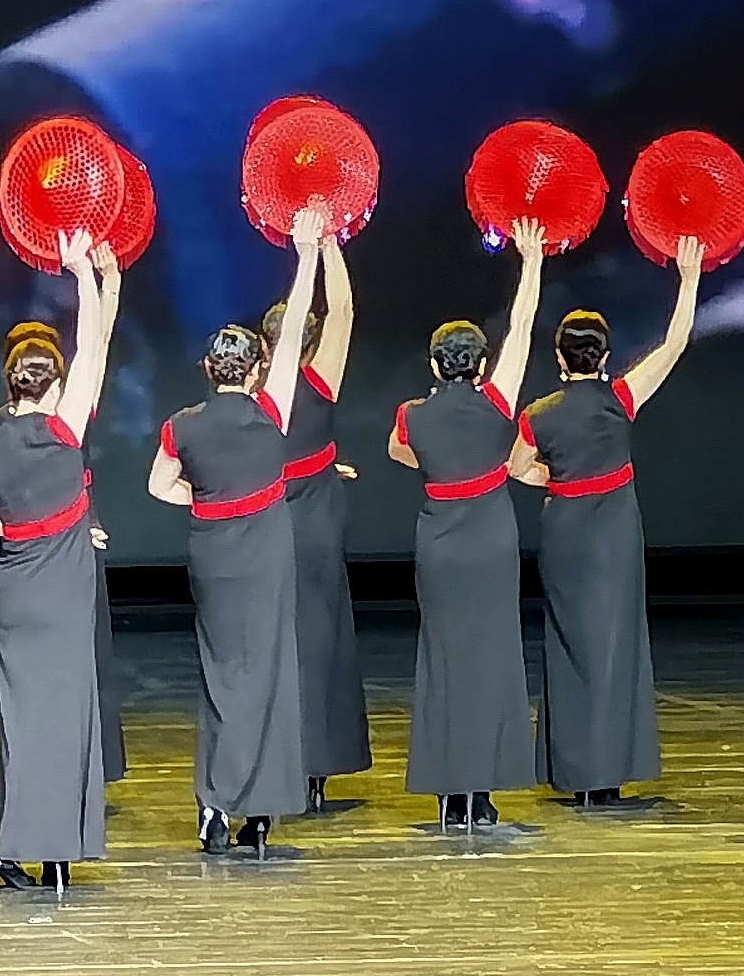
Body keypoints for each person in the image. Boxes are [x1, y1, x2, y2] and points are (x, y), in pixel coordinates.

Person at [148, 206, 327, 855]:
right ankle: (258, 809)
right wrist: (305, 255)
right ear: (254, 372)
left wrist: (204, 498)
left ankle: (215, 802)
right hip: (265, 548)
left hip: (213, 550)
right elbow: (291, 336)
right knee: (269, 669)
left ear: (208, 369)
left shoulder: (182, 425)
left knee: (222, 673)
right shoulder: (271, 411)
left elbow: (157, 487)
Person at [516, 238, 705, 806]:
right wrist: (689, 276)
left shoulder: (538, 414)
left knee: (570, 644)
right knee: (615, 644)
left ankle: (576, 773)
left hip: (566, 533)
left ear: (560, 359)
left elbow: (514, 469)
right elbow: (675, 343)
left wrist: (557, 480)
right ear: (602, 357)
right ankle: (610, 774)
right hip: (615, 533)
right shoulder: (620, 397)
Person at [0, 234, 119, 893]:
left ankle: (35, 845)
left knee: (24, 720)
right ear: (54, 386)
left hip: (14, 588)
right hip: (60, 589)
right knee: (64, 716)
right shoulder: (63, 432)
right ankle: (36, 848)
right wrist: (84, 272)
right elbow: (94, 347)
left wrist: (33, 529)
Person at [386, 221, 548, 828]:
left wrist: (440, 464)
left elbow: (399, 452)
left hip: (440, 544)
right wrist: (532, 262)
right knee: (493, 657)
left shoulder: (412, 415)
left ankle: (450, 791)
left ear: (435, 364)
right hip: (490, 540)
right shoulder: (498, 402)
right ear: (481, 365)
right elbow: (522, 327)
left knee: (444, 661)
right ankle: (481, 791)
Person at [266, 234, 367, 811]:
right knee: (321, 634)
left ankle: (280, 757)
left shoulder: (256, 390)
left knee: (278, 637)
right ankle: (318, 767)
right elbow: (345, 310)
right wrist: (331, 243)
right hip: (318, 516)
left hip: (268, 518)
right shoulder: (319, 379)